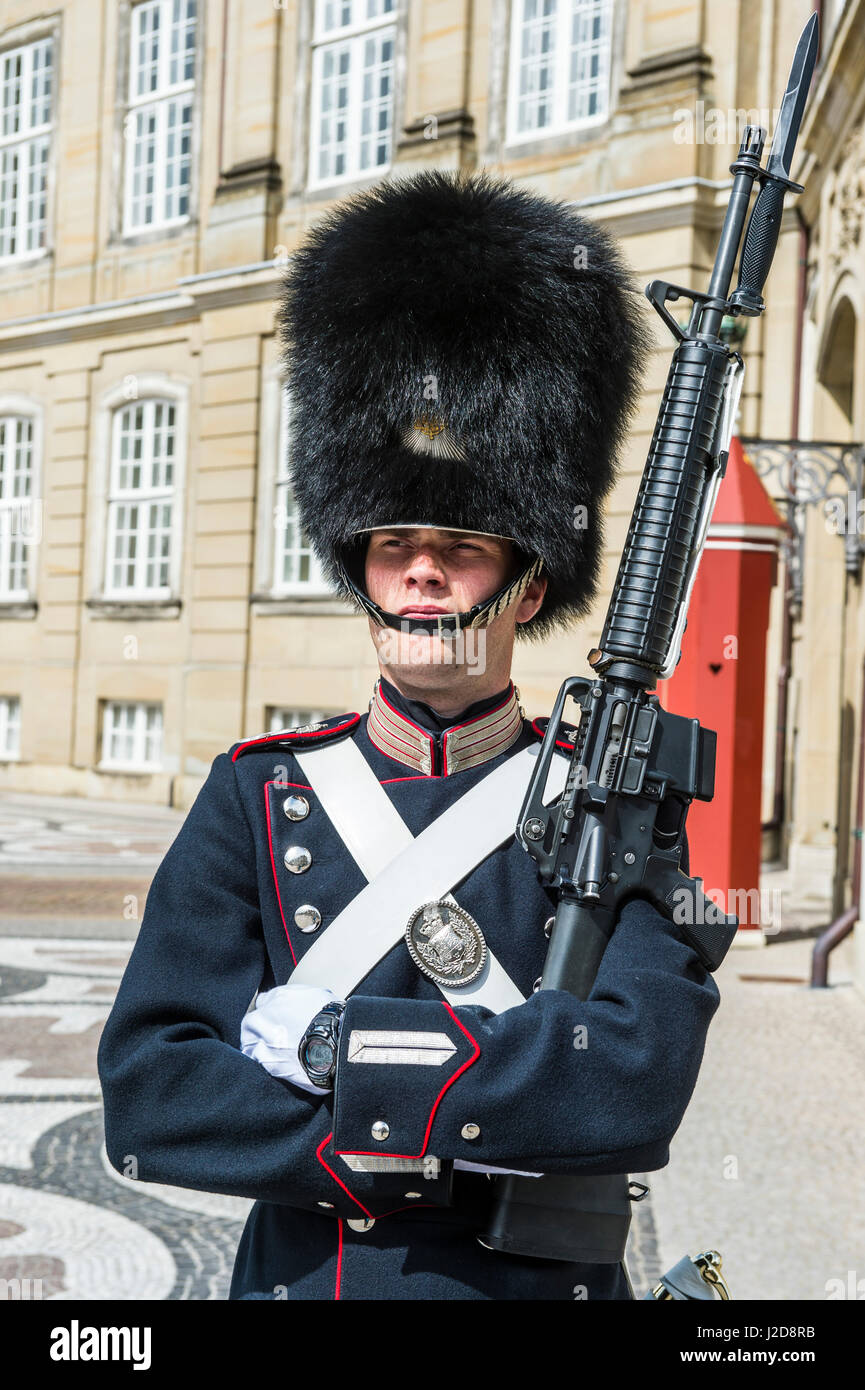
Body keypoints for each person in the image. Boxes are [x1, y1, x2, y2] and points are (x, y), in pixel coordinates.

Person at [98, 170, 721, 1301]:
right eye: (393, 546)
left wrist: (331, 1050)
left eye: (464, 546)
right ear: (362, 574)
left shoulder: (613, 802)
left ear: (528, 586)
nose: (423, 568)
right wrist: (460, 1124)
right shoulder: (257, 793)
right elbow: (154, 1093)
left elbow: (637, 1080)